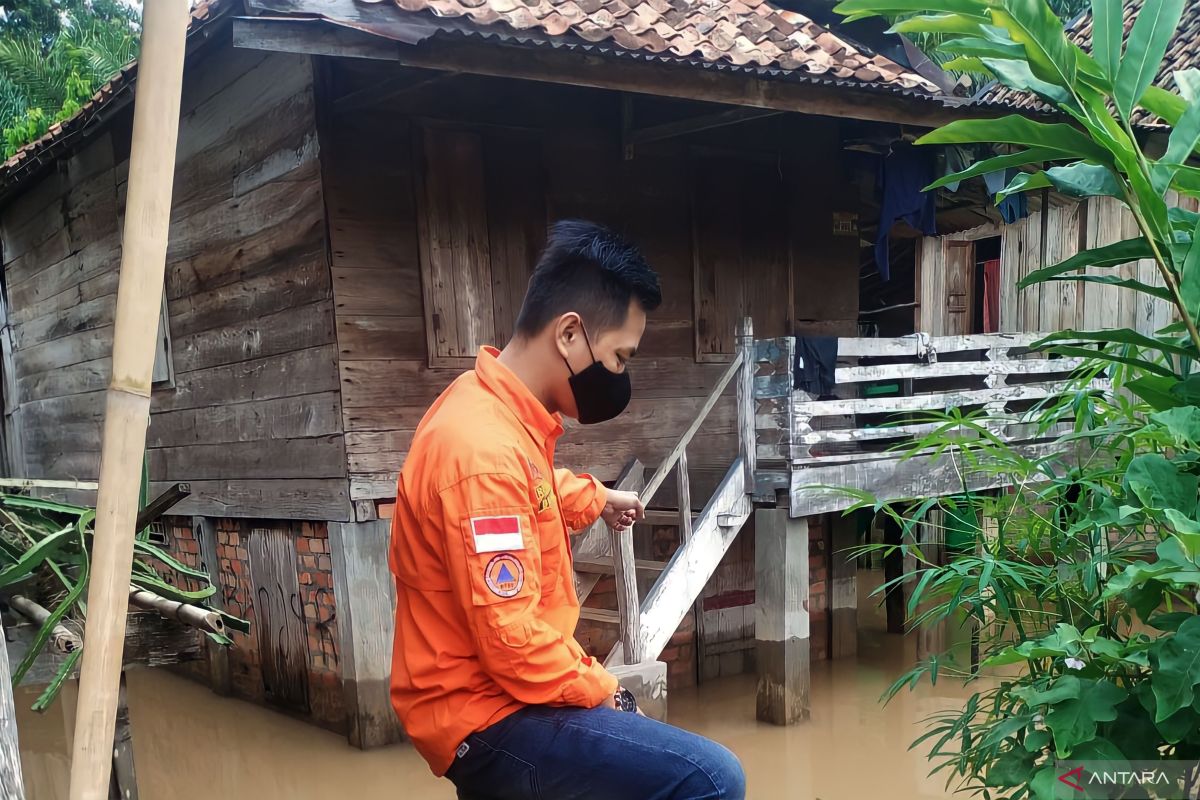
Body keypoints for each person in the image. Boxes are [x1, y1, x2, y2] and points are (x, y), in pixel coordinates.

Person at [388, 220, 746, 800]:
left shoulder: (489, 411)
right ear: (571, 334)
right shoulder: (482, 452)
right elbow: (512, 642)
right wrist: (607, 690)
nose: (620, 377)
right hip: (487, 715)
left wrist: (599, 498)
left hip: (492, 695)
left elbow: (534, 487)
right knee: (712, 778)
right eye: (620, 357)